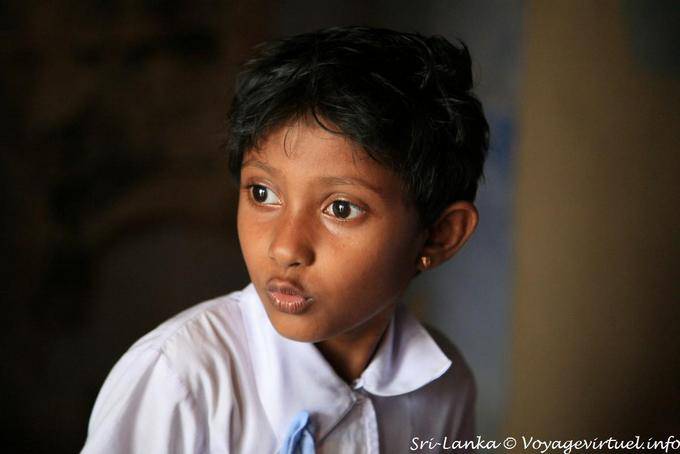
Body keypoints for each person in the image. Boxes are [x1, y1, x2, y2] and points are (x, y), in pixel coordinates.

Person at [81, 25, 488, 453]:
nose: (285, 248)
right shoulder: (180, 381)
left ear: (440, 236)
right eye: (262, 194)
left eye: (342, 208)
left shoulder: (444, 388)